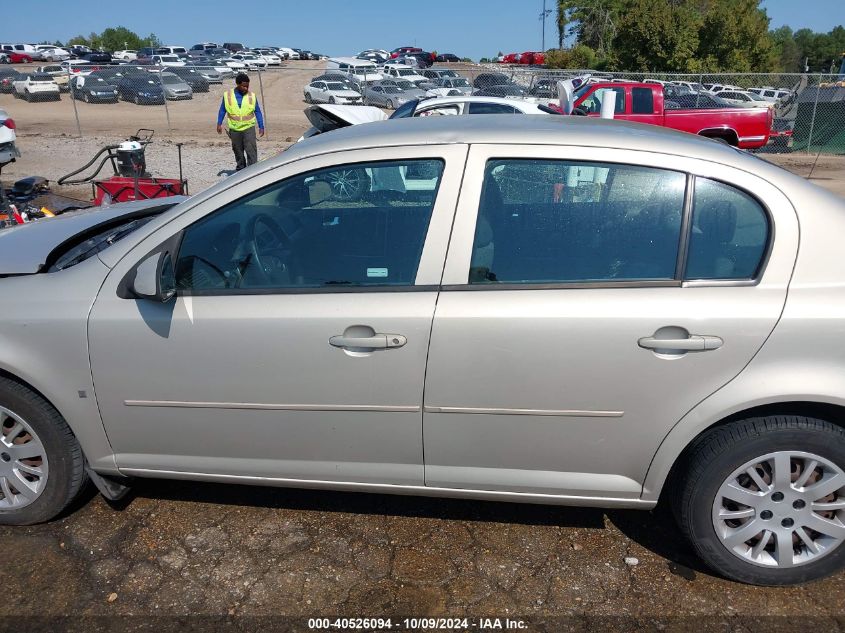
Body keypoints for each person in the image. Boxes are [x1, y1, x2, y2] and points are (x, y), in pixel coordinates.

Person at [217, 73, 265, 171]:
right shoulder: (228, 95)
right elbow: (222, 110)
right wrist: (219, 123)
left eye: (247, 86)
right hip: (234, 129)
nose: (246, 88)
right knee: (238, 151)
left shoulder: (252, 96)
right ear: (237, 84)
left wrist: (261, 126)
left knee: (251, 151)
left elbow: (257, 111)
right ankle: (240, 171)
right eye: (243, 86)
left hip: (248, 128)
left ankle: (253, 171)